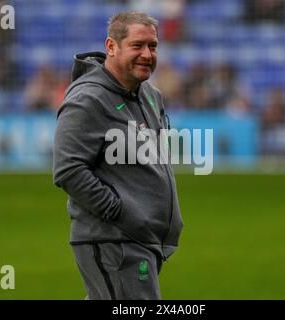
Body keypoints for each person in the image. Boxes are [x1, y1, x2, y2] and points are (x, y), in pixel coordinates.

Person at [53, 11, 183, 300]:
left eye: (153, 46)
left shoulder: (150, 94)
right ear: (111, 47)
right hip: (115, 241)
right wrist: (119, 211)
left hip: (141, 239)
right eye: (138, 45)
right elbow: (68, 169)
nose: (148, 54)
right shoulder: (87, 99)